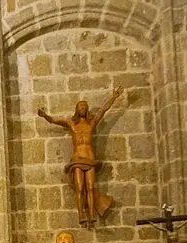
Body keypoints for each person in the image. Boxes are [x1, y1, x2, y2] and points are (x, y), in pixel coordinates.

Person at [37, 86, 125, 228]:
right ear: (77, 110)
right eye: (80, 106)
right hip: (77, 160)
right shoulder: (71, 124)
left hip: (89, 159)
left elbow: (103, 110)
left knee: (90, 187)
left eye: (84, 106)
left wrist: (114, 97)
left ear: (87, 109)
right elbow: (53, 120)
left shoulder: (92, 123)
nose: (83, 108)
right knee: (80, 188)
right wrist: (44, 115)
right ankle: (81, 215)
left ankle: (92, 214)